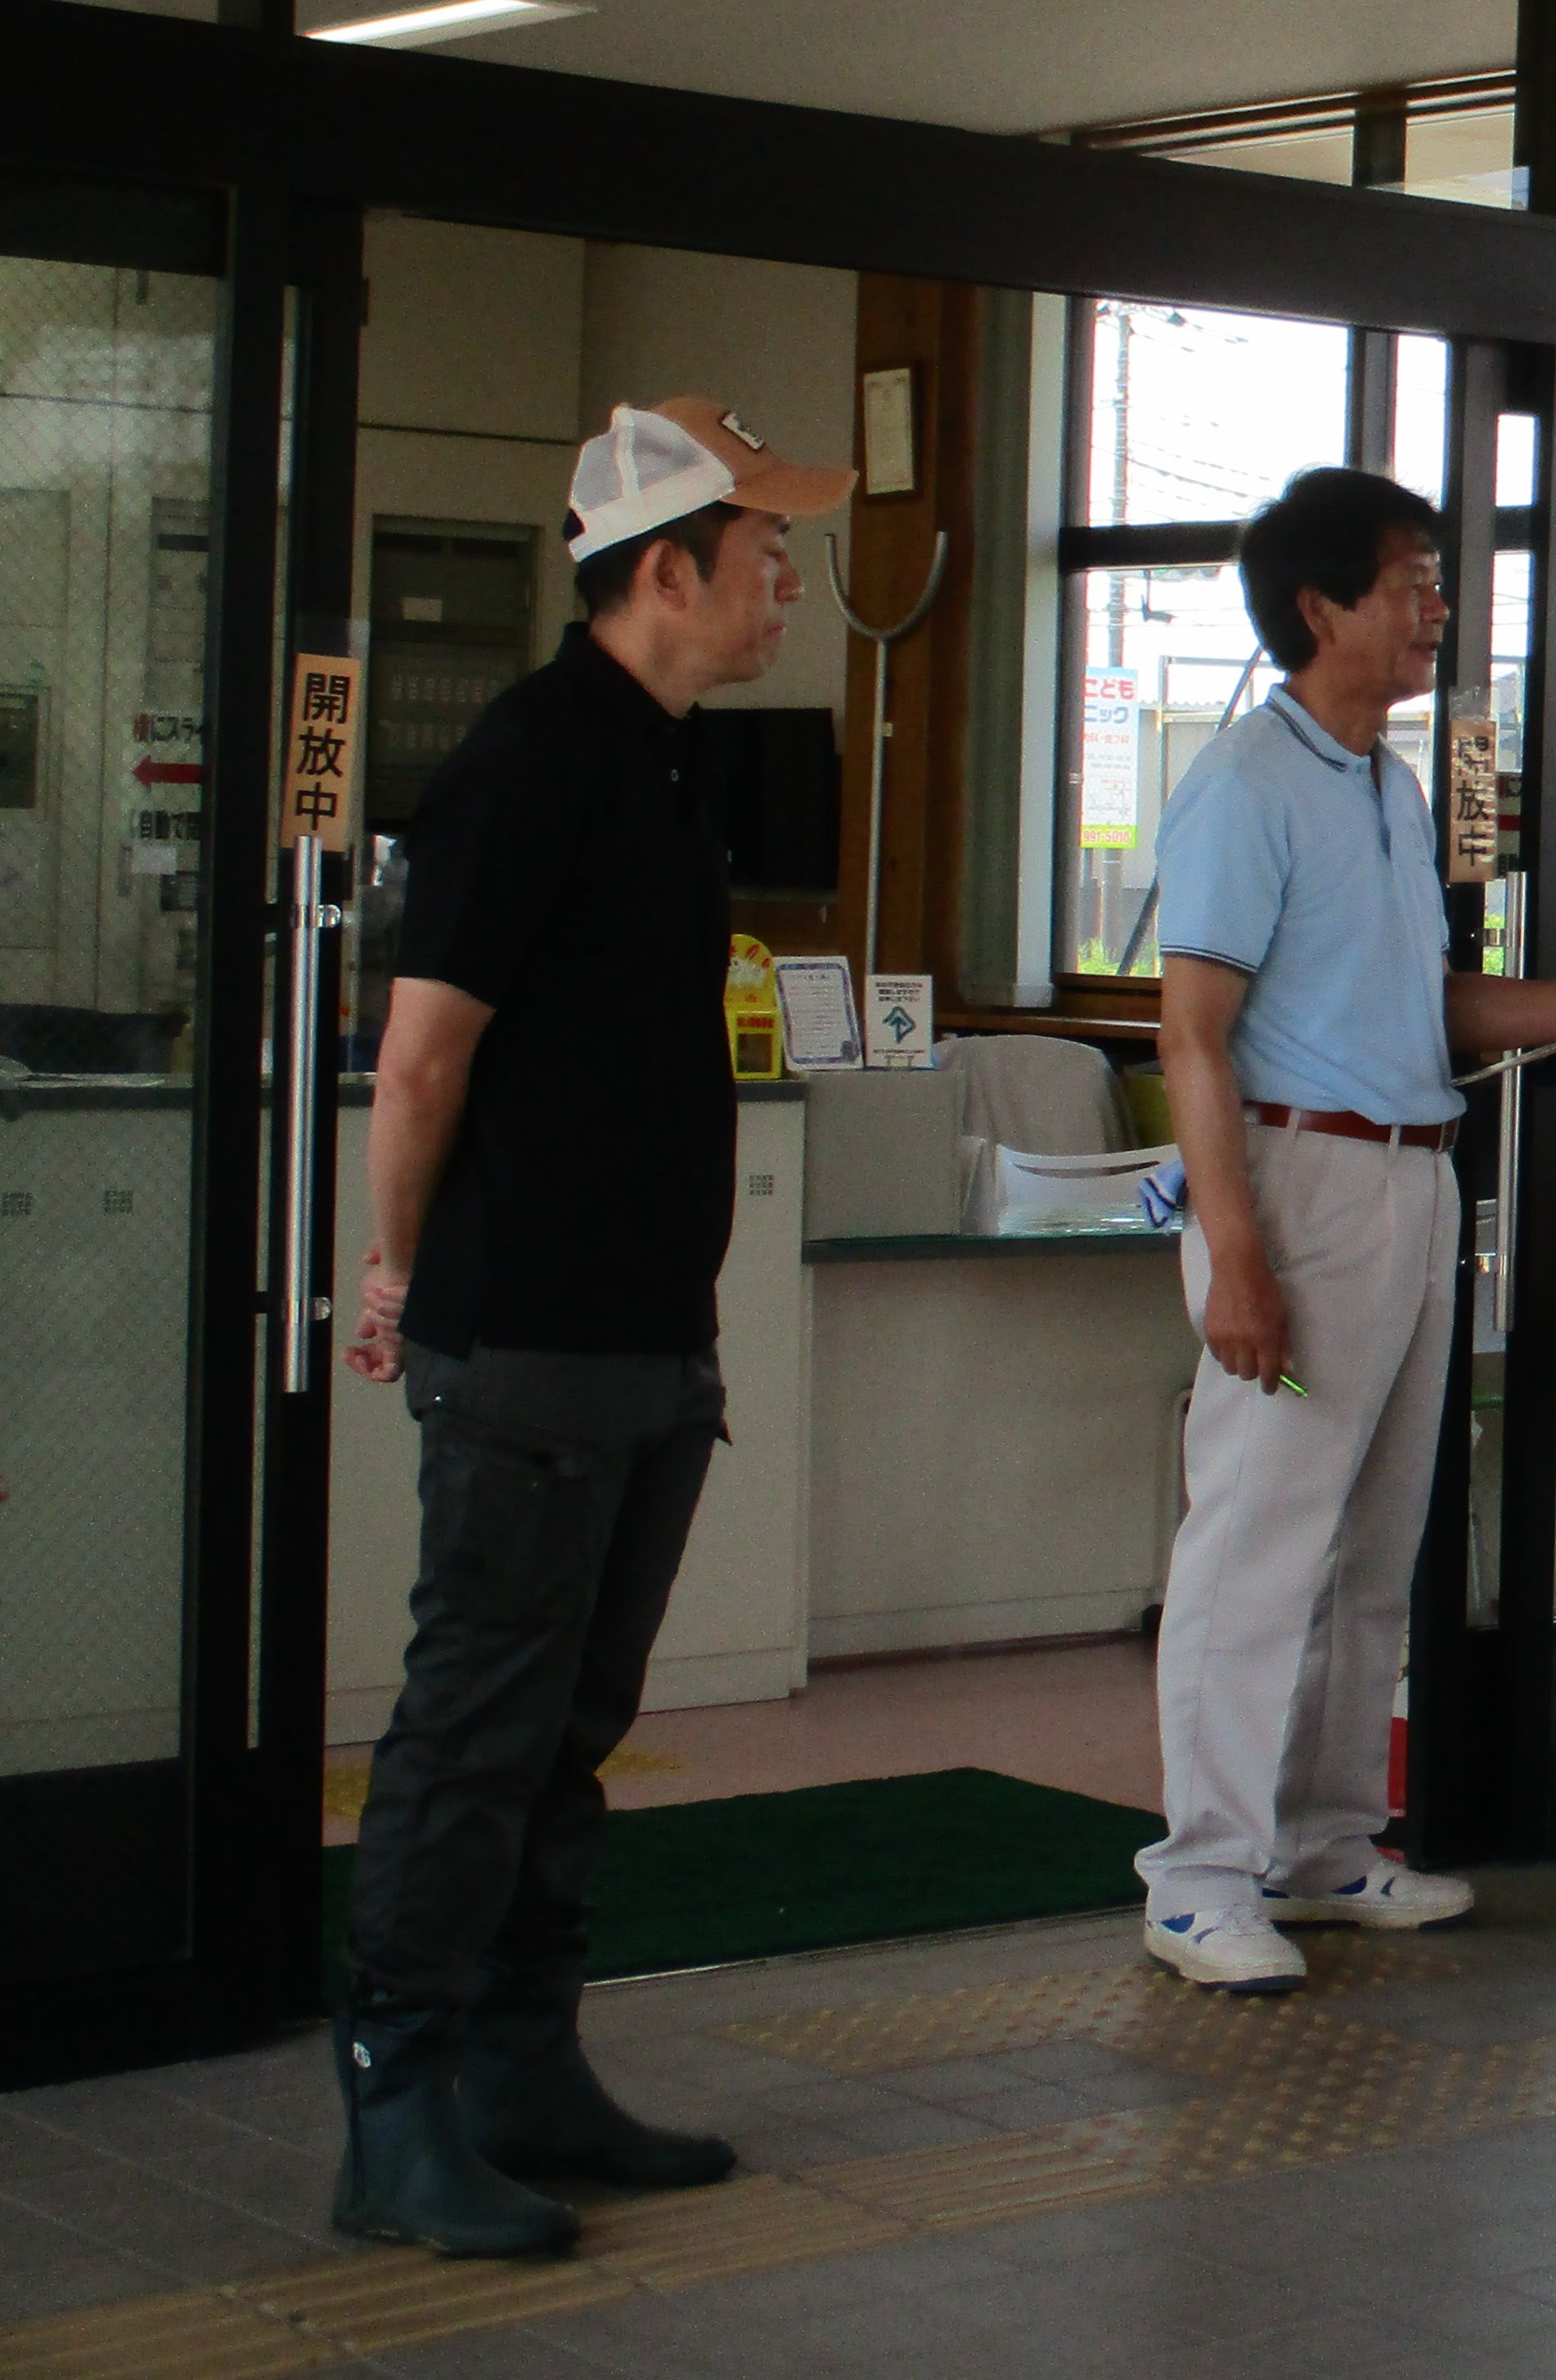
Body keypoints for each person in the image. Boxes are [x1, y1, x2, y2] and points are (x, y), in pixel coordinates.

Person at [335, 394, 853, 2257]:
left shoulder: (660, 762)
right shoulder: (526, 761)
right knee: (476, 1734)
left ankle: (526, 2061)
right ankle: (395, 2109)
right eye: (761, 555)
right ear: (663, 571)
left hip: (645, 1346)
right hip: (530, 1343)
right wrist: (399, 1278)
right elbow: (420, 1061)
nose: (787, 583)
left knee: (572, 1733)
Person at [1139, 469, 1556, 1992]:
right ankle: (1198, 1873)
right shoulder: (1244, 780)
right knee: (1256, 1537)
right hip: (1298, 1182)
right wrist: (1237, 1254)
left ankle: (1329, 1840)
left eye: (1434, 581)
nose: (1436, 609)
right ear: (1321, 606)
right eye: (1412, 580)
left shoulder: (1389, 786)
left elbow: (1414, 1005)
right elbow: (1194, 1032)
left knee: (1374, 1541)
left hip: (1419, 1172)